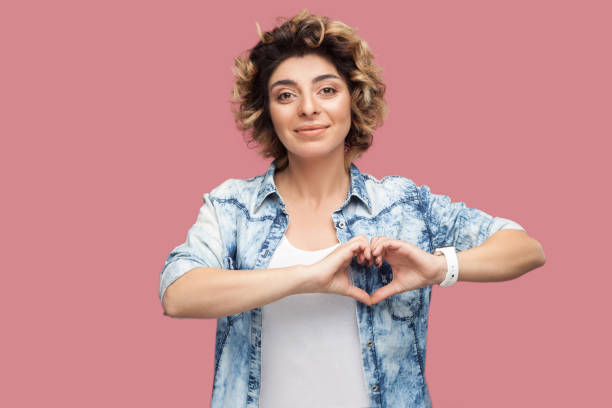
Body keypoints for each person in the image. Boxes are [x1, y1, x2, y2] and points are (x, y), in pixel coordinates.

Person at [158, 9, 546, 408]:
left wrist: (439, 268)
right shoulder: (232, 207)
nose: (308, 108)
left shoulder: (402, 204)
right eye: (286, 95)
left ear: (353, 100)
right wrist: (306, 277)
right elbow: (177, 294)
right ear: (267, 112)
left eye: (327, 90)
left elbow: (525, 248)